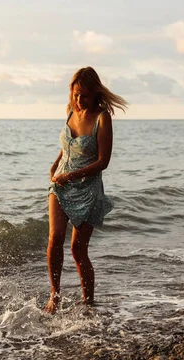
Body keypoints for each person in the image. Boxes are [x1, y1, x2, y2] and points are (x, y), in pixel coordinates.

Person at [44, 67, 127, 314]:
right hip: (60, 185)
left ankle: (88, 302)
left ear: (95, 94)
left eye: (85, 96)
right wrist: (55, 163)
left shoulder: (103, 118)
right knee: (54, 238)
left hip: (87, 189)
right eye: (76, 94)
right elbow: (69, 145)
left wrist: (72, 174)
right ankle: (54, 296)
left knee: (78, 250)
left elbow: (104, 161)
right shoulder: (70, 111)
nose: (79, 101)